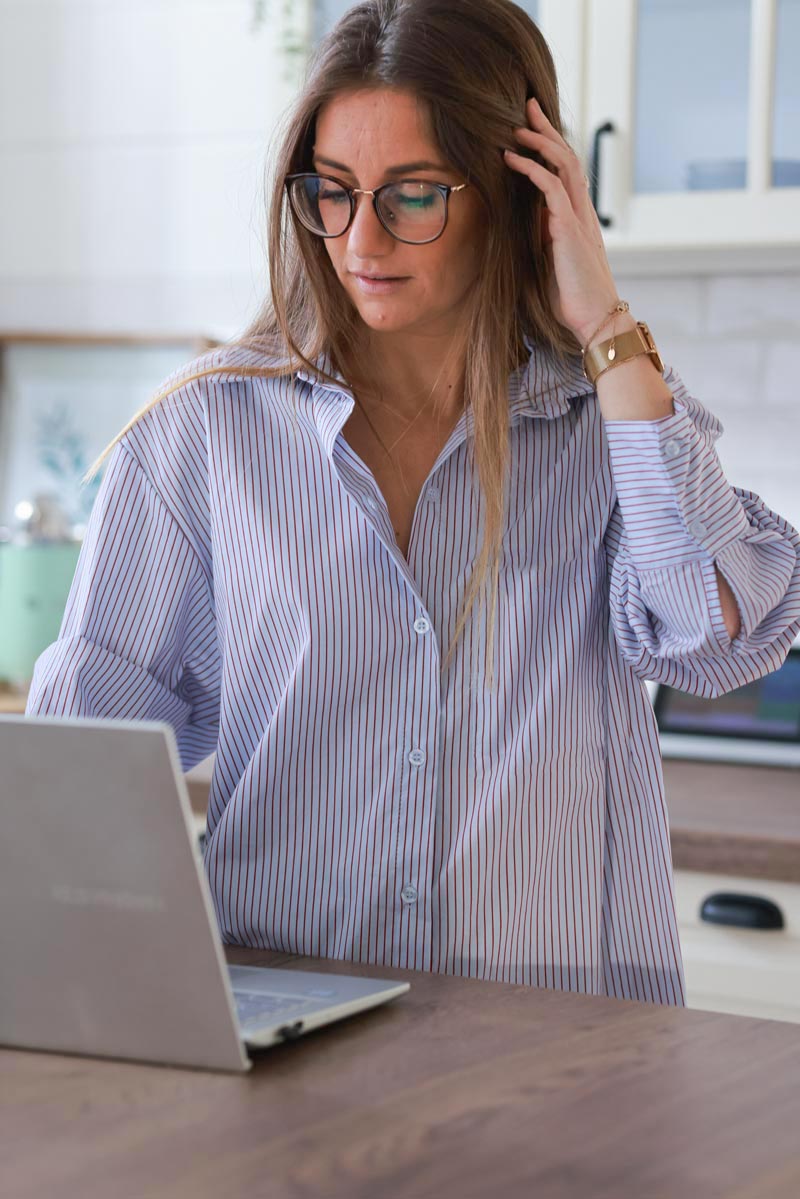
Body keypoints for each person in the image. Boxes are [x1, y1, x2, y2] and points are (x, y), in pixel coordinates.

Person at [26, 0, 800, 1006]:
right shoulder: (206, 434)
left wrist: (607, 327)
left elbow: (708, 639)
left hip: (561, 1055)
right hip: (290, 1028)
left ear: (519, 195)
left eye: (412, 196)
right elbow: (72, 770)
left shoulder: (603, 426)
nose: (360, 239)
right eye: (332, 192)